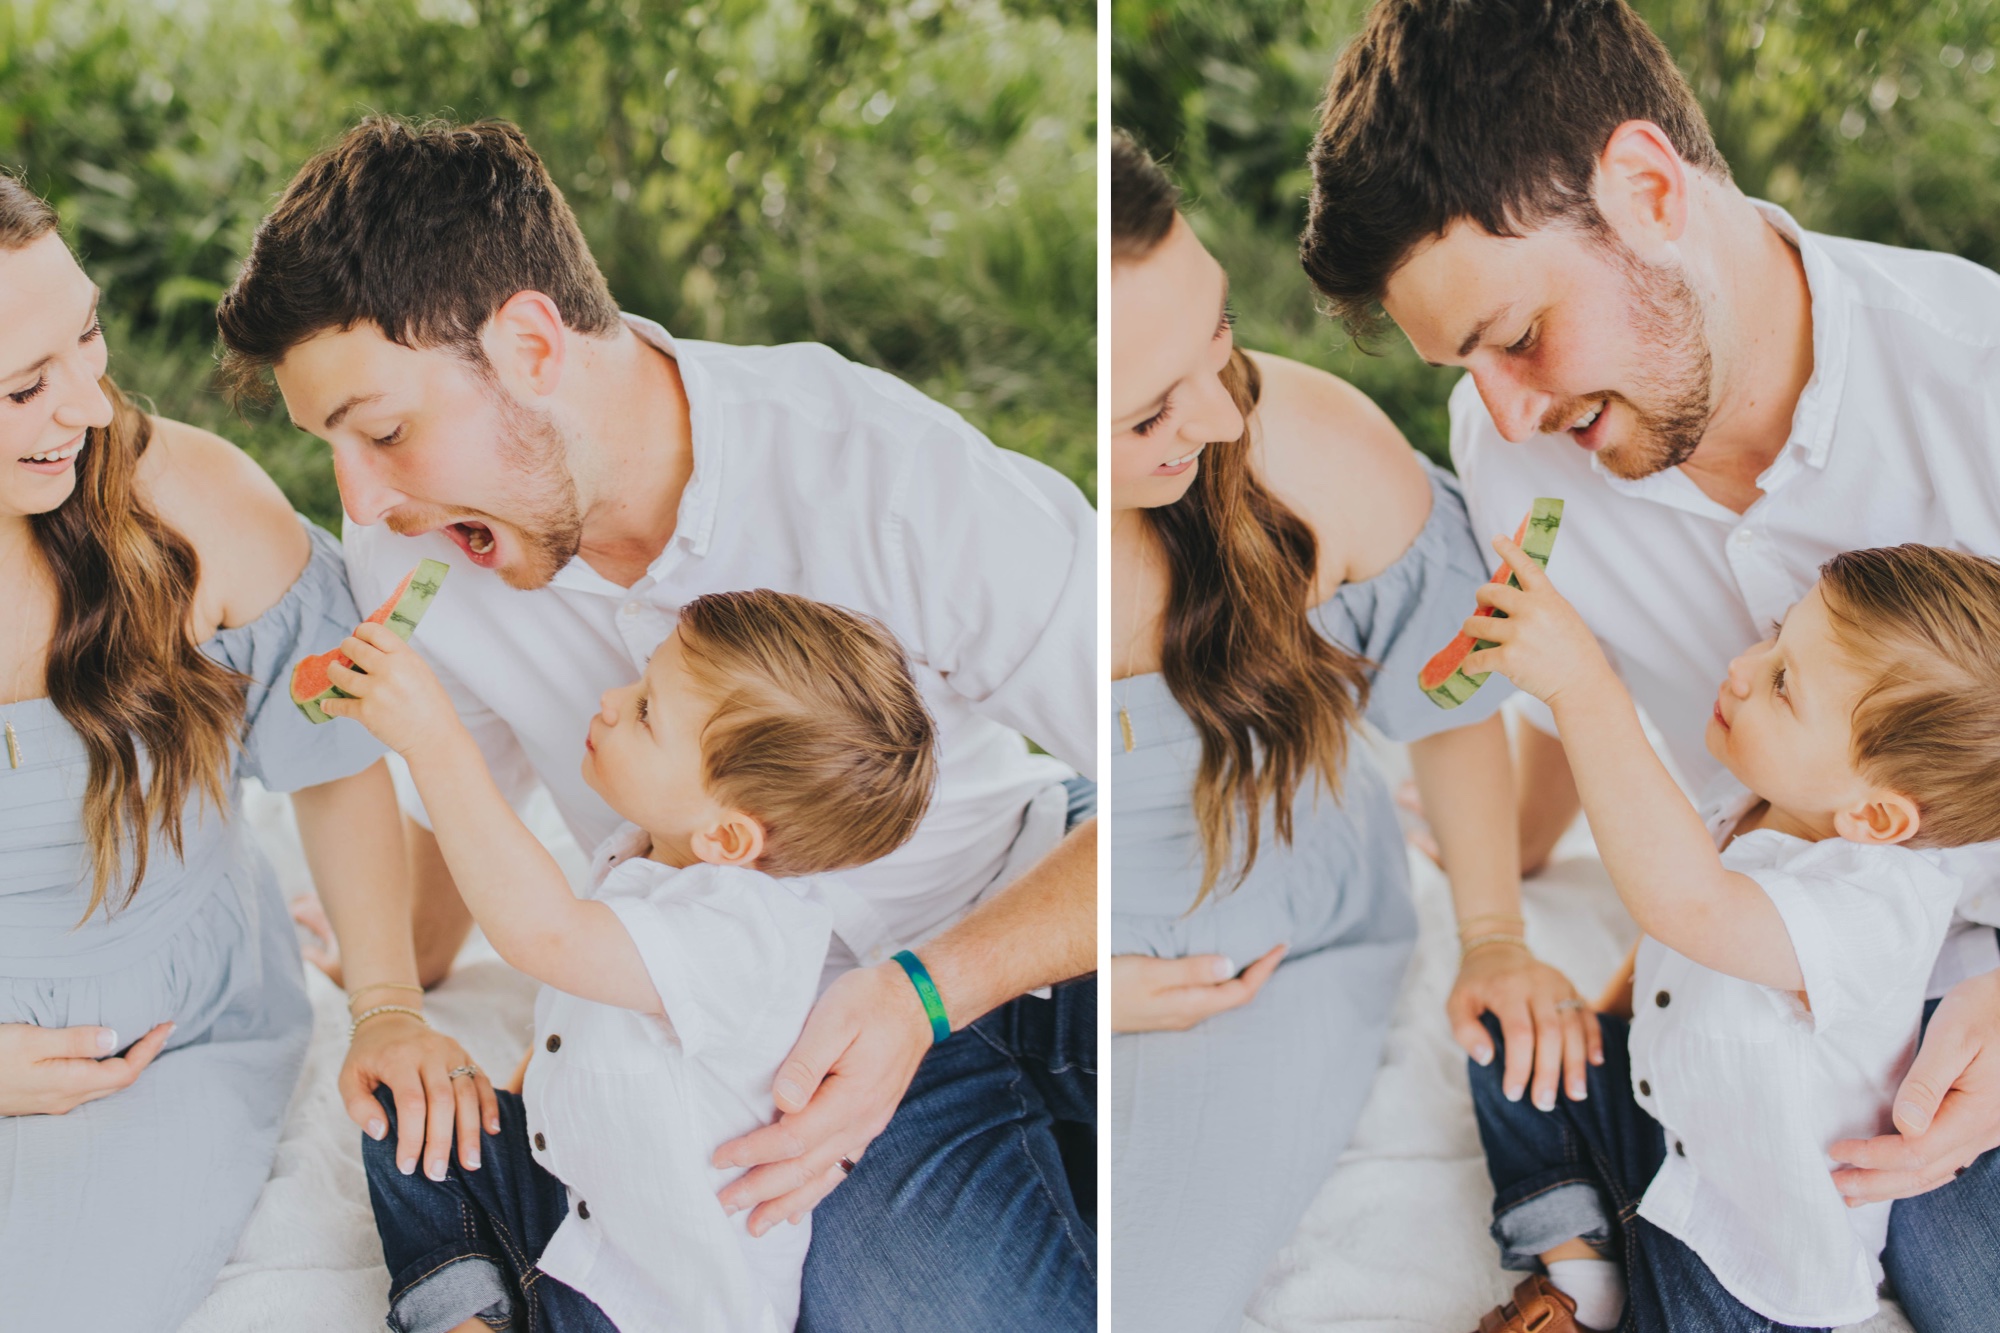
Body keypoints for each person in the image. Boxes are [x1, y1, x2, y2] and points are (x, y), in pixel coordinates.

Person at [214, 116, 1097, 1330]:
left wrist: (925, 993)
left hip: (1038, 905)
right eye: (332, 452)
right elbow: (476, 832)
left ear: (529, 346)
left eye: (382, 432)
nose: (362, 501)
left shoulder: (873, 467)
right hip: (781, 1065)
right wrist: (385, 980)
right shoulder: (414, 547)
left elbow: (1173, 765)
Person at [1301, 4, 2000, 1327]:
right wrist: (1487, 865)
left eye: (1514, 338)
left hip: (1956, 981)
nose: (1505, 415)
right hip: (1743, 984)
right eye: (1466, 368)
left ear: (1649, 189)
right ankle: (1569, 1265)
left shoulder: (1977, 380)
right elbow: (1584, 688)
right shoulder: (1516, 444)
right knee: (1530, 1055)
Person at [1108, 132, 1598, 1332]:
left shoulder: (1313, 455)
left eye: (1215, 336)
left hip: (1269, 963)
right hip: (1045, 953)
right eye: (1144, 413)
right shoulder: (983, 532)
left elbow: (1454, 703)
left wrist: (1487, 931)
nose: (1220, 416)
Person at [0, 176, 487, 1330]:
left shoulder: (190, 498)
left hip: (162, 1037)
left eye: (86, 335)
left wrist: (382, 1003)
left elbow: (334, 763)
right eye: (25, 384)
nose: (90, 404)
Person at [331, 588, 938, 1333]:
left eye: (649, 710)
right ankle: (465, 1313)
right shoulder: (646, 851)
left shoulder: (747, 934)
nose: (614, 701)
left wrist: (435, 740)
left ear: (728, 837)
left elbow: (546, 935)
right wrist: (526, 1088)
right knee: (412, 1116)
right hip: (566, 1212)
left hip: (649, 1299)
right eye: (641, 679)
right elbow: (595, 1021)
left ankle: (473, 1302)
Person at [1460, 540, 2000, 1331]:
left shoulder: (1879, 907)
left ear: (1874, 815)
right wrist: (1600, 1021)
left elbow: (1692, 907)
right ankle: (1583, 1281)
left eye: (1784, 683)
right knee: (1510, 1039)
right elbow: (1672, 949)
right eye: (1778, 634)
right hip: (1664, 1112)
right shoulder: (1748, 794)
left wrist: (1585, 689)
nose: (1744, 666)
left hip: (1745, 1247)